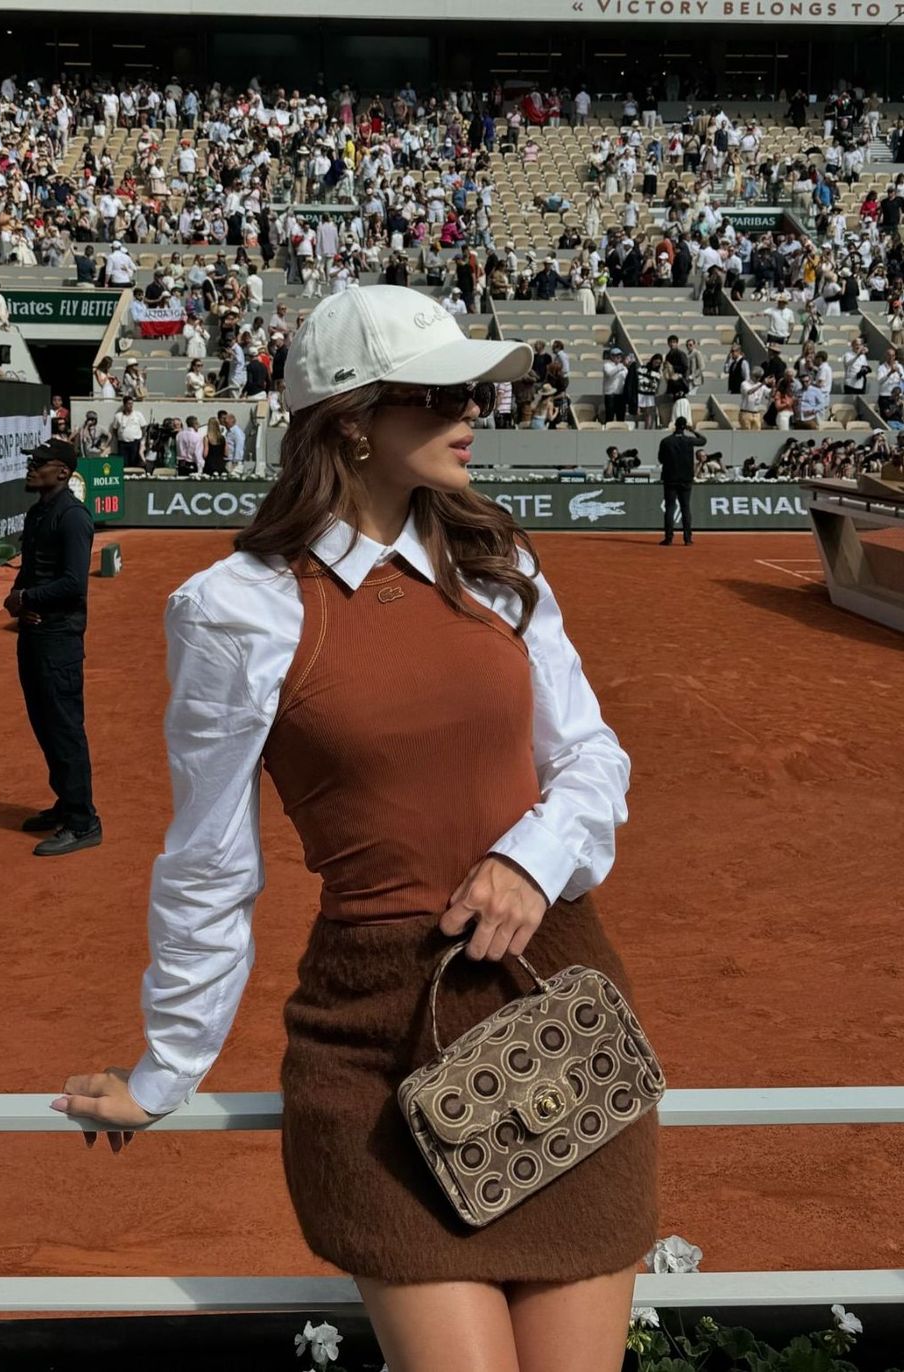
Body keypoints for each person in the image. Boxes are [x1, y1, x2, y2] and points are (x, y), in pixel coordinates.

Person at [51, 283, 657, 1372]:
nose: (473, 411)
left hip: (550, 1002)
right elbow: (209, 854)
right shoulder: (233, 608)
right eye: (438, 394)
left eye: (474, 388)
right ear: (348, 421)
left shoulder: (500, 561)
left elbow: (594, 759)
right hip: (372, 1037)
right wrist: (167, 1066)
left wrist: (531, 857)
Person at [3, 439, 102, 856]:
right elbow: (29, 568)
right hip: (34, 636)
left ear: (63, 472)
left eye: (40, 462)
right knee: (45, 725)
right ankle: (66, 803)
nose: (31, 467)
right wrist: (17, 596)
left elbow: (73, 584)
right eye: (31, 460)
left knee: (64, 728)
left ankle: (83, 822)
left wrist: (27, 600)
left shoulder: (74, 518)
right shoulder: (38, 512)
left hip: (59, 639)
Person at [657, 417, 704, 545]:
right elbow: (703, 441)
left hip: (670, 478)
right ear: (684, 427)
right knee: (685, 508)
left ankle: (669, 538)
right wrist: (693, 430)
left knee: (670, 508)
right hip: (686, 479)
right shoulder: (688, 440)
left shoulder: (666, 441)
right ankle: (687, 539)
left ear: (675, 426)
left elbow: (660, 459)